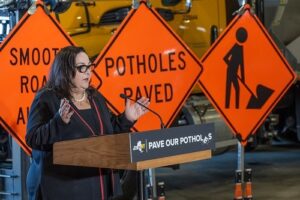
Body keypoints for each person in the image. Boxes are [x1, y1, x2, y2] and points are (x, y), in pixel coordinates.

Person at [25, 46, 149, 200]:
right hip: (64, 188)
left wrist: (127, 118)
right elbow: (33, 138)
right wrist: (59, 122)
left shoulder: (95, 97)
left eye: (89, 66)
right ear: (65, 70)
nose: (88, 72)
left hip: (98, 184)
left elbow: (108, 134)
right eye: (82, 68)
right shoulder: (48, 98)